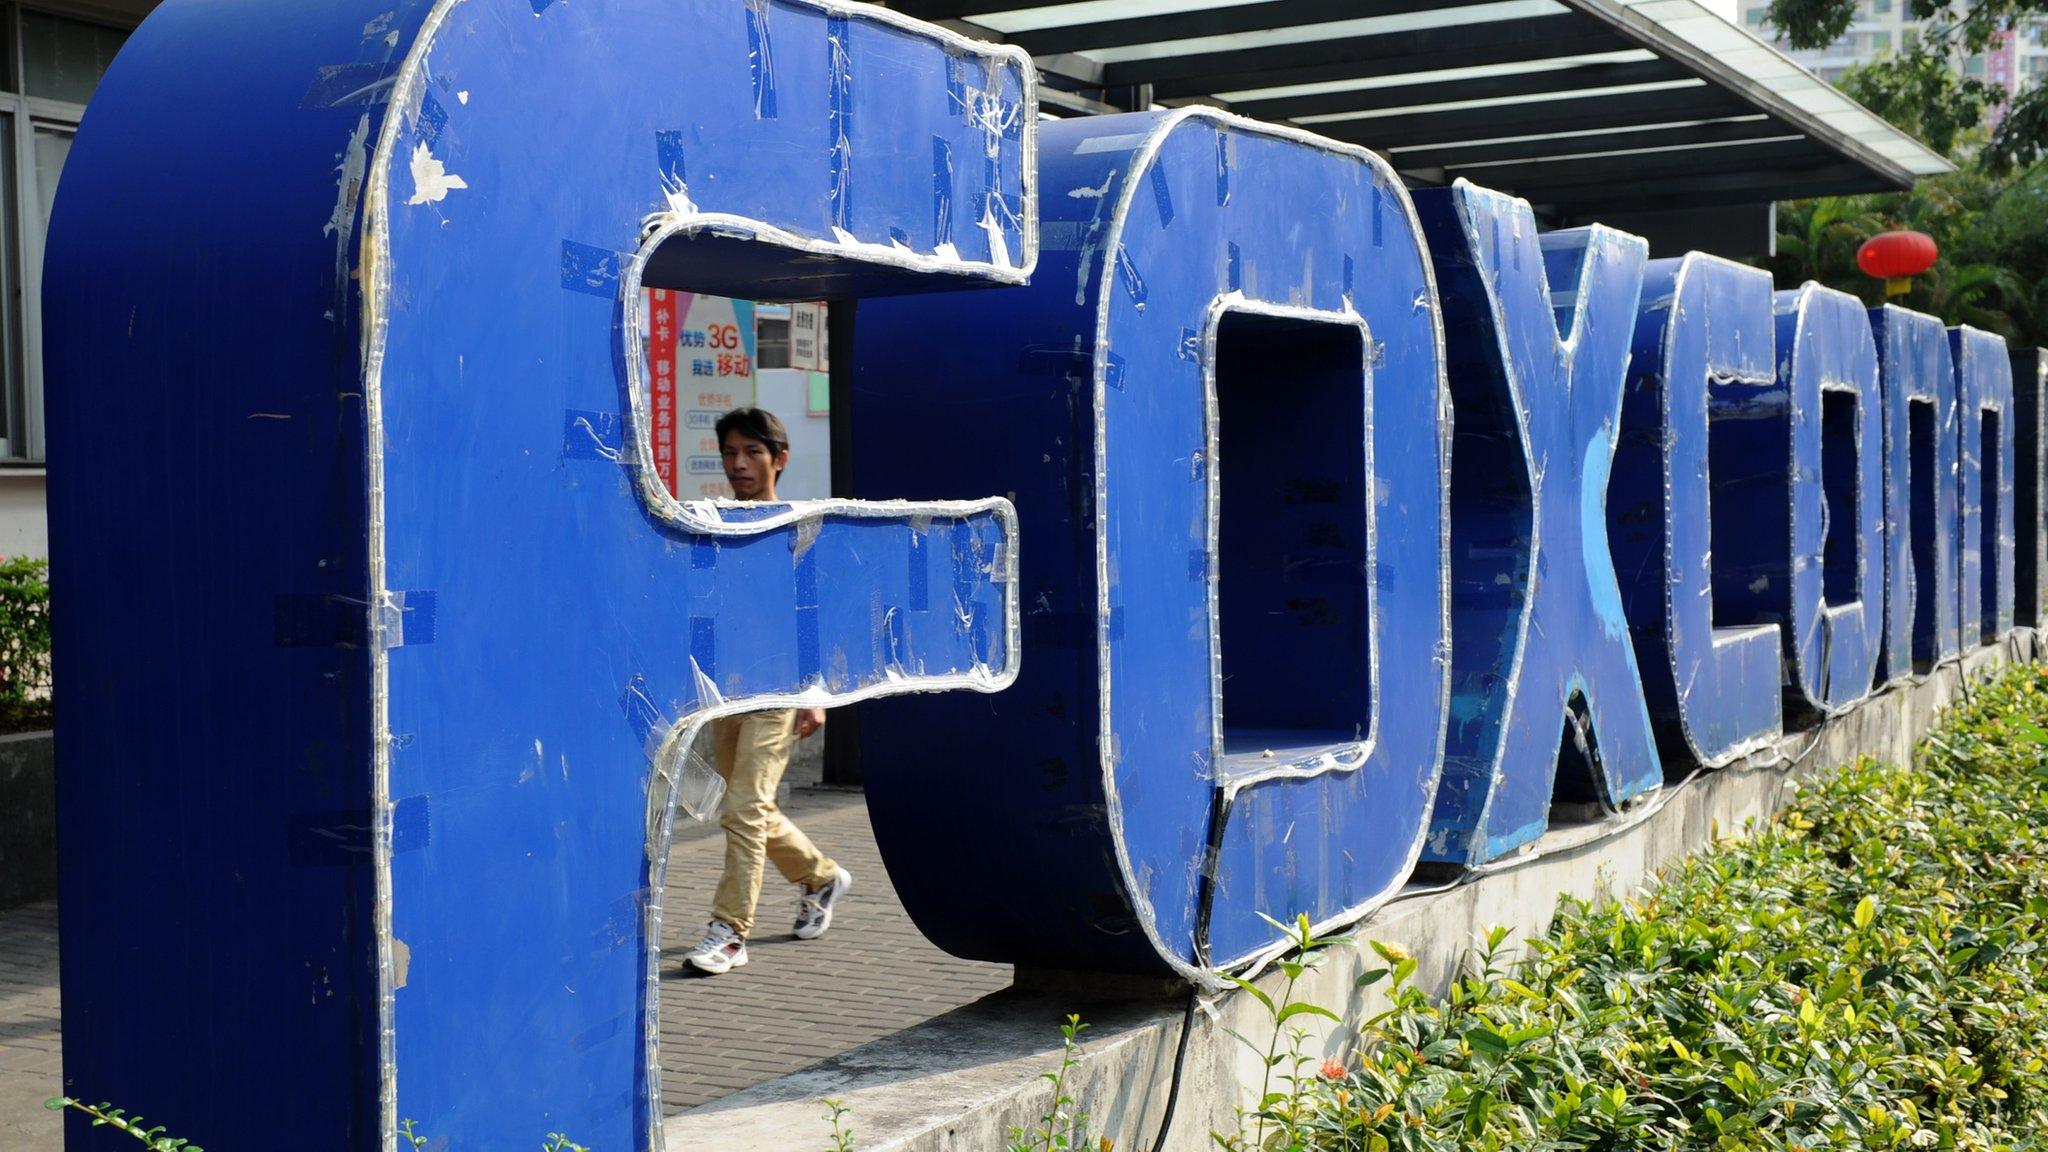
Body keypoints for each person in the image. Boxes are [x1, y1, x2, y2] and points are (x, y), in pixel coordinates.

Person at [682, 407, 853, 976]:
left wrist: (816, 692)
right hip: (731, 690)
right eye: (730, 453)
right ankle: (821, 876)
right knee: (747, 806)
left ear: (779, 459)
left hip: (779, 690)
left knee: (745, 808)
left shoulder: (796, 525)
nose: (739, 464)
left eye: (752, 453)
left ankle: (730, 932)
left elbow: (815, 616)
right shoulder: (721, 521)